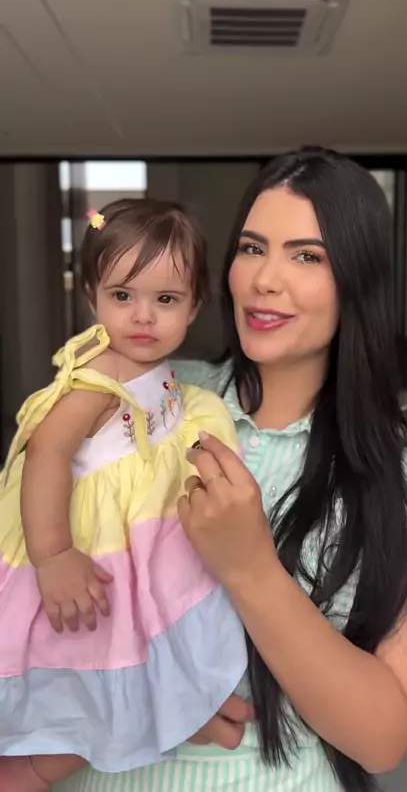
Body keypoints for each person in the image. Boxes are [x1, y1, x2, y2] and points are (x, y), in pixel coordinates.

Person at [54, 147, 407, 792]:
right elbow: (31, 566)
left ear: (358, 280)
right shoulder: (150, 396)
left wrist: (250, 568)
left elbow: (382, 739)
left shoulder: (405, 475)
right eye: (252, 248)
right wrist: (142, 688)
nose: (264, 279)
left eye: (307, 256)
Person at [0, 199, 247, 791]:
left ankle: (191, 710)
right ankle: (28, 772)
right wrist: (54, 557)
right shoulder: (96, 379)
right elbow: (45, 454)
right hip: (84, 551)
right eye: (122, 295)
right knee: (90, 676)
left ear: (195, 305)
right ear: (92, 297)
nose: (143, 316)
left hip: (134, 541)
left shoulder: (163, 375)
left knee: (152, 645)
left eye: (166, 299)